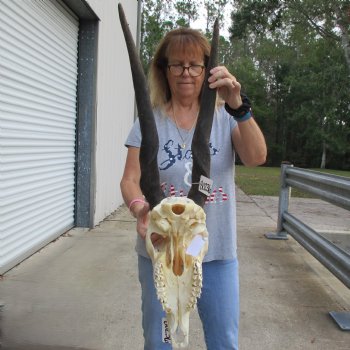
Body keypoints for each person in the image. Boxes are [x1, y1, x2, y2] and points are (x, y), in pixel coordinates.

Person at [120, 27, 267, 350]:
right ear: (164, 70)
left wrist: (238, 106)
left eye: (194, 65)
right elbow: (130, 179)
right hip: (162, 254)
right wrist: (139, 208)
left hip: (214, 254)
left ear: (207, 69)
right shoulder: (150, 120)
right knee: (162, 340)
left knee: (222, 341)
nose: (186, 73)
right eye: (177, 64)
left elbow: (256, 157)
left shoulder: (225, 117)